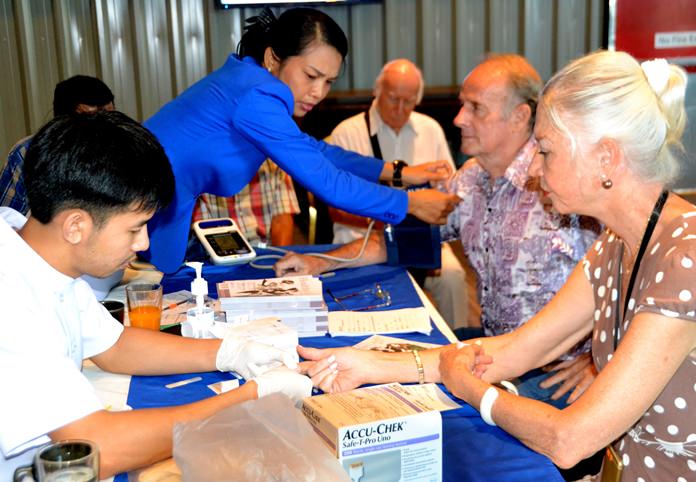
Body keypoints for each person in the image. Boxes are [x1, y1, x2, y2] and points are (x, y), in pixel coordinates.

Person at [296, 51, 695, 480]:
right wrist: (373, 364)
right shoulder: (615, 245)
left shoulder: (684, 260)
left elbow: (568, 440)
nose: (535, 170)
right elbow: (519, 348)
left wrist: (469, 387)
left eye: (545, 151)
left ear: (606, 158)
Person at [0, 111, 312, 480]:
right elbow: (99, 447)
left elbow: (114, 345)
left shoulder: (35, 249)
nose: (144, 242)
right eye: (135, 228)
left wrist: (229, 351)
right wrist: (251, 398)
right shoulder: (12, 299)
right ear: (76, 226)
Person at [276, 54, 600, 407]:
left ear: (520, 116)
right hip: (493, 352)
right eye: (462, 105)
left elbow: (628, 268)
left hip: (553, 373)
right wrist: (320, 262)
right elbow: (399, 243)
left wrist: (602, 359)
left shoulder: (560, 182)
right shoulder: (472, 179)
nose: (459, 118)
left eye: (476, 108)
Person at [142, 7, 459, 273]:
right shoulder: (256, 97)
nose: (319, 93)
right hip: (141, 205)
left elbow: (314, 149)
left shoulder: (250, 82)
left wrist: (397, 172)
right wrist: (410, 203)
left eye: (329, 81)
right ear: (272, 58)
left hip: (159, 204)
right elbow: (327, 182)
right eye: (311, 76)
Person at [328, 58, 469, 330]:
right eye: (393, 99)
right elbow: (335, 207)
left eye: (409, 101)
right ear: (377, 92)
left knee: (453, 276)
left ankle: (459, 345)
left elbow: (449, 191)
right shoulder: (346, 133)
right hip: (362, 238)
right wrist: (392, 218)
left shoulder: (430, 129)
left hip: (423, 236)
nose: (400, 109)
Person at [0, 75, 115, 215]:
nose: (105, 128)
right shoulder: (27, 153)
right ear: (61, 123)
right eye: (91, 119)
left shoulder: (122, 150)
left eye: (111, 117)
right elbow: (8, 222)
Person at [192, 159, 300, 246]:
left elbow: (282, 220)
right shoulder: (198, 169)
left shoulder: (274, 163)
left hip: (264, 250)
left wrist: (278, 259)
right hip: (215, 251)